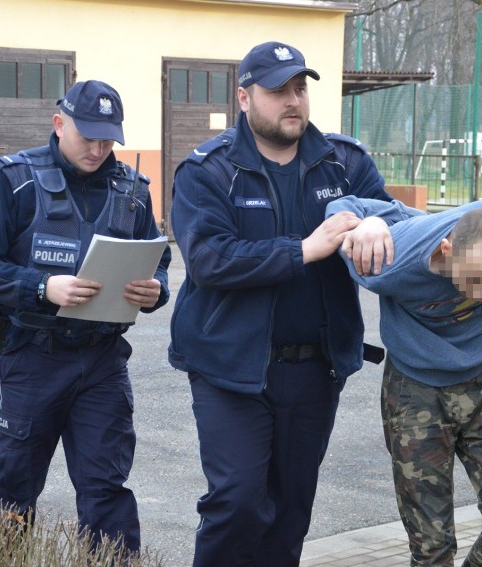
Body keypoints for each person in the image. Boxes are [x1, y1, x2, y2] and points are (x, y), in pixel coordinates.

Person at [168, 41, 391, 566]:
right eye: (277, 91)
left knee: (292, 511)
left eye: (299, 88)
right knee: (238, 502)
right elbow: (209, 259)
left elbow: (393, 222)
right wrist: (304, 249)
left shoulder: (345, 162)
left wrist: (382, 221)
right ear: (244, 98)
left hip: (314, 369)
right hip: (230, 369)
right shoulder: (209, 170)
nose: (293, 100)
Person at [0, 80, 171, 555]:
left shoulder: (132, 190)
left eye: (107, 138)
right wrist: (39, 287)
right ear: (58, 124)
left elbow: (158, 261)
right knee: (12, 485)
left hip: (103, 363)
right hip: (32, 357)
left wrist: (154, 291)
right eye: (87, 136)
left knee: (106, 490)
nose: (97, 148)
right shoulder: (14, 180)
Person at [326, 196, 482, 567]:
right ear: (446, 249)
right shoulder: (386, 262)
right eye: (473, 279)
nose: (480, 293)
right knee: (432, 549)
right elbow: (342, 207)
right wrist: (366, 222)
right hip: (416, 391)